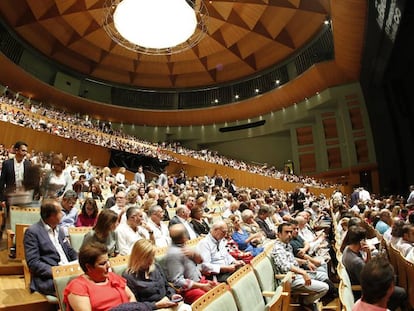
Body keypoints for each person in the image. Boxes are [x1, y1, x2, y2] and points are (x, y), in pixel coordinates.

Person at [342, 226, 406, 311]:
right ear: (361, 241)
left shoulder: (347, 249)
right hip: (365, 290)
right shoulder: (356, 262)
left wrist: (368, 253)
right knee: (401, 292)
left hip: (366, 286)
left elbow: (367, 269)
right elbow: (368, 275)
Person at [24, 199, 78, 295]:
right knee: (79, 289)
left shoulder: (59, 230)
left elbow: (70, 251)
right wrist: (58, 271)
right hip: (49, 278)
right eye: (60, 212)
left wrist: (80, 262)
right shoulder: (32, 232)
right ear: (52, 216)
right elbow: (33, 263)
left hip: (69, 271)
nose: (62, 214)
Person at [63, 242, 138, 311]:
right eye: (102, 263)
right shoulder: (78, 286)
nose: (108, 265)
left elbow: (131, 297)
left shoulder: (113, 277)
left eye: (108, 261)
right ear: (89, 267)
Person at [271, 222, 329, 311]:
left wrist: (305, 262)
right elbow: (285, 266)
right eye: (286, 232)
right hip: (289, 279)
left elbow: (292, 259)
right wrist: (303, 272)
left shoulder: (287, 245)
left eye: (290, 232)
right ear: (279, 234)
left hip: (298, 274)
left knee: (323, 275)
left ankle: (310, 300)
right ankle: (306, 301)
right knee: (325, 288)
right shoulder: (278, 248)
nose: (289, 235)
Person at [123, 239, 191, 310]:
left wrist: (172, 295)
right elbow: (135, 305)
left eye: (152, 256)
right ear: (138, 257)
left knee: (187, 308)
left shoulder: (156, 266)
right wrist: (157, 305)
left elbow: (167, 285)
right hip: (152, 308)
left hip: (168, 304)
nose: (151, 260)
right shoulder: (129, 276)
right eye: (147, 257)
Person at [164, 224, 216, 304]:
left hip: (200, 281)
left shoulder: (184, 246)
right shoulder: (173, 253)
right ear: (185, 236)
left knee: (223, 290)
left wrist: (194, 254)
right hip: (188, 290)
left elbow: (200, 261)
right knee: (210, 301)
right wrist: (201, 286)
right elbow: (177, 281)